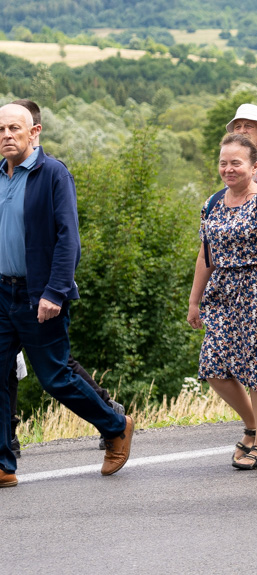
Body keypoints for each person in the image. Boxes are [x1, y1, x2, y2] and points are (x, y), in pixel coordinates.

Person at [0, 103, 134, 488]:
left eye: (15, 128)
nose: (7, 135)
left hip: (38, 293)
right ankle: (3, 464)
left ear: (34, 132)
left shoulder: (52, 174)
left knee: (55, 376)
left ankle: (115, 425)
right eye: (1, 129)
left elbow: (68, 239)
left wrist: (54, 291)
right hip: (1, 292)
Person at [187, 133, 257, 470]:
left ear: (254, 165)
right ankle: (252, 425)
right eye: (223, 163)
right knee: (214, 367)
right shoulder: (212, 203)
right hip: (221, 295)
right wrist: (194, 301)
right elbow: (205, 256)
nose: (228, 169)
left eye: (236, 162)